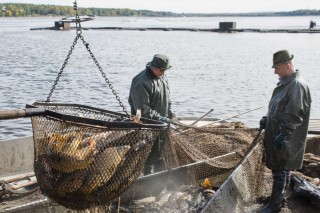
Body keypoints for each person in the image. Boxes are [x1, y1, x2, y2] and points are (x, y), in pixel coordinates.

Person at [259, 50, 312, 213]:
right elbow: (279, 107)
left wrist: (283, 135)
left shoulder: (296, 85)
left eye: (277, 68)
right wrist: (267, 119)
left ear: (288, 66)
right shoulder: (287, 82)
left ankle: (274, 207)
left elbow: (294, 115)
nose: (275, 71)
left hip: (287, 138)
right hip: (278, 134)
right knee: (281, 169)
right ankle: (279, 199)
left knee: (280, 171)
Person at [128, 53, 175, 175]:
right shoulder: (141, 81)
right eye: (162, 70)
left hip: (161, 125)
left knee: (159, 153)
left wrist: (170, 112)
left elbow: (168, 97)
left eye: (166, 70)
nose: (164, 72)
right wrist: (160, 118)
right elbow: (141, 110)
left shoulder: (162, 77)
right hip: (146, 126)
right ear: (153, 67)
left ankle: (158, 180)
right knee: (148, 156)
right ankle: (147, 180)